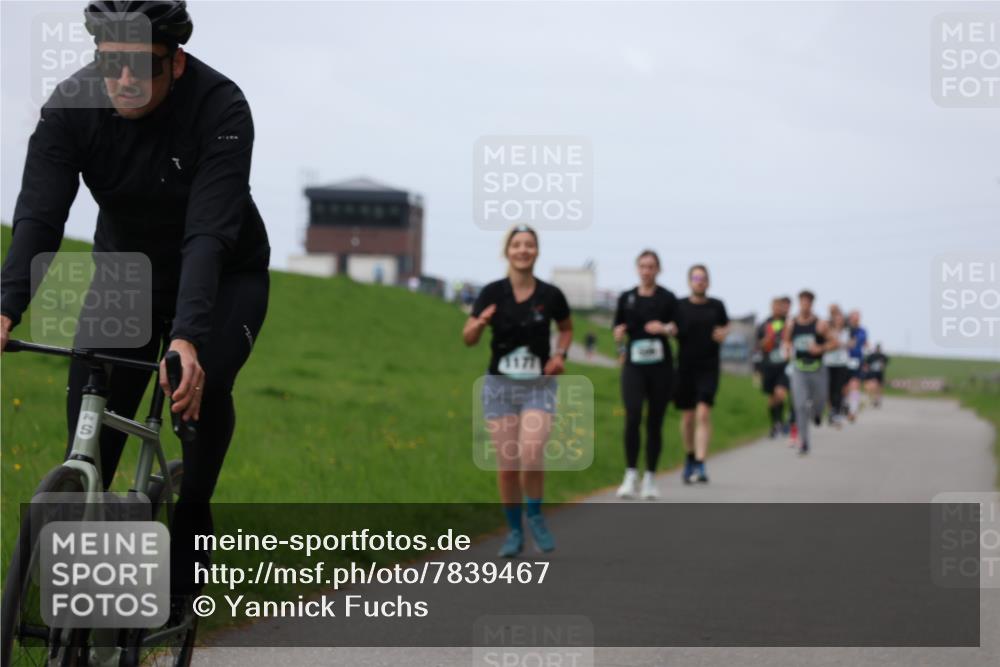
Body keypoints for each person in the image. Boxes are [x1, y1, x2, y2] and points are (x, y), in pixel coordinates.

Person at [0, 1, 270, 613]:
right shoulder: (72, 106)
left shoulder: (220, 107)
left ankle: (191, 524)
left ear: (175, 62)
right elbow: (41, 215)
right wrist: (6, 306)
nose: (122, 79)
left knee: (198, 388)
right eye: (109, 62)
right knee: (88, 439)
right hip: (126, 276)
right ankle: (83, 611)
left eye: (140, 65)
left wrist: (189, 336)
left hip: (225, 274)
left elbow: (207, 233)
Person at [463, 224, 572, 557]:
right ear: (507, 251)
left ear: (536, 251)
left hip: (538, 386)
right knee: (508, 464)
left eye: (529, 245)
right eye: (516, 245)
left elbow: (566, 329)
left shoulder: (551, 295)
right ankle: (513, 531)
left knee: (531, 452)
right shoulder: (492, 293)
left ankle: (535, 515)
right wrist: (479, 324)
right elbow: (467, 338)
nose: (523, 250)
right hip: (499, 387)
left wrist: (559, 354)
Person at [612, 250, 678, 499]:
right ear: (637, 269)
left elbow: (677, 327)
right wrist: (619, 343)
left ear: (658, 270)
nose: (646, 271)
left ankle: (650, 476)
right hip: (634, 366)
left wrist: (664, 328)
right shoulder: (627, 298)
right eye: (642, 266)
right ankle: (630, 474)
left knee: (655, 422)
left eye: (651, 267)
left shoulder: (668, 298)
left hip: (661, 368)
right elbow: (618, 330)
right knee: (633, 415)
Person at [674, 264, 729, 483]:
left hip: (708, 367)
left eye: (703, 278)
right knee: (687, 417)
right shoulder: (679, 306)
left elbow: (726, 326)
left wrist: (724, 333)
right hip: (685, 367)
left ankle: (701, 462)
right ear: (689, 281)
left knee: (703, 413)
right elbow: (670, 327)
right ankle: (689, 457)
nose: (700, 281)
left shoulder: (717, 306)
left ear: (709, 282)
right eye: (696, 278)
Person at [783, 290, 834, 454]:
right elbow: (786, 340)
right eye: (802, 302)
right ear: (799, 303)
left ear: (812, 304)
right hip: (799, 369)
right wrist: (787, 348)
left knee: (819, 402)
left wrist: (821, 348)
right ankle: (804, 442)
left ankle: (817, 413)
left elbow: (835, 342)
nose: (805, 305)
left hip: (817, 369)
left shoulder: (820, 324)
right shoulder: (792, 323)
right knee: (800, 405)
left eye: (808, 302)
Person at [756, 296, 791, 438]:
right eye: (775, 306)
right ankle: (775, 423)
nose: (778, 309)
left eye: (780, 306)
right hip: (769, 366)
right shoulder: (764, 324)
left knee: (780, 393)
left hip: (783, 366)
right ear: (771, 307)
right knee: (772, 398)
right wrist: (768, 339)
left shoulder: (788, 323)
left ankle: (781, 421)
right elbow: (760, 345)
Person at [823, 304, 851, 428]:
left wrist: (840, 343)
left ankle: (837, 412)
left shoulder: (846, 331)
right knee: (829, 389)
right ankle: (832, 411)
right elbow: (829, 344)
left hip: (842, 363)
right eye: (836, 318)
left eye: (841, 318)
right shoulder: (827, 330)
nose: (839, 320)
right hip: (829, 363)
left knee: (839, 389)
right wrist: (838, 343)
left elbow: (849, 344)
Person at [845, 309, 868, 421]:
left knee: (855, 385)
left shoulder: (862, 331)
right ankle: (844, 407)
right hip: (844, 361)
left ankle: (853, 411)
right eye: (854, 317)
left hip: (856, 360)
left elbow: (858, 342)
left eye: (857, 317)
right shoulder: (845, 329)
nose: (856, 319)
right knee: (844, 387)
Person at [864, 343, 889, 407]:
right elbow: (866, 364)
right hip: (872, 373)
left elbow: (885, 364)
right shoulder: (871, 356)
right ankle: (873, 399)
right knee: (872, 386)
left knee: (879, 387)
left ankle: (877, 399)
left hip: (880, 373)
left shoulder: (883, 356)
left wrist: (882, 366)